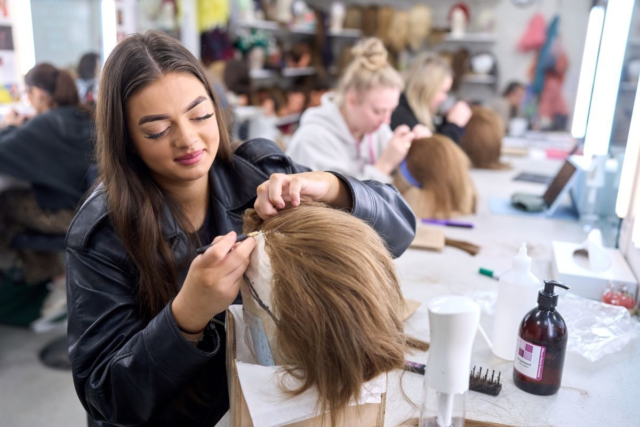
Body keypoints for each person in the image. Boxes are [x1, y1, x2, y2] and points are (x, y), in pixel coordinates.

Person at [65, 31, 416, 427]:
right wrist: (185, 317)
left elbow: (400, 231)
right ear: (128, 140)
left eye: (200, 115)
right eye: (158, 131)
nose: (189, 139)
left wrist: (334, 188)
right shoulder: (101, 235)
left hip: (264, 402)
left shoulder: (258, 173)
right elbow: (106, 396)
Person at [0, 63, 93, 284]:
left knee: (5, 203)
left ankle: (42, 278)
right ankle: (53, 277)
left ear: (38, 93)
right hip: (93, 211)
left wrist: (8, 126)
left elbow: (3, 152)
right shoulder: (84, 113)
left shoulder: (46, 122)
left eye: (27, 94)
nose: (28, 101)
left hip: (70, 216)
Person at [286, 38, 428, 184]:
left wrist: (415, 150)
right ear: (352, 100)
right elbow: (338, 202)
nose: (387, 120)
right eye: (378, 111)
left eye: (390, 111)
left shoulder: (374, 129)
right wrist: (384, 166)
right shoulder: (313, 139)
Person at [390, 53, 472, 145]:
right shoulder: (402, 118)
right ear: (426, 88)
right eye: (442, 91)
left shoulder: (413, 111)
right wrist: (454, 126)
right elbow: (435, 155)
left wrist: (447, 121)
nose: (444, 98)